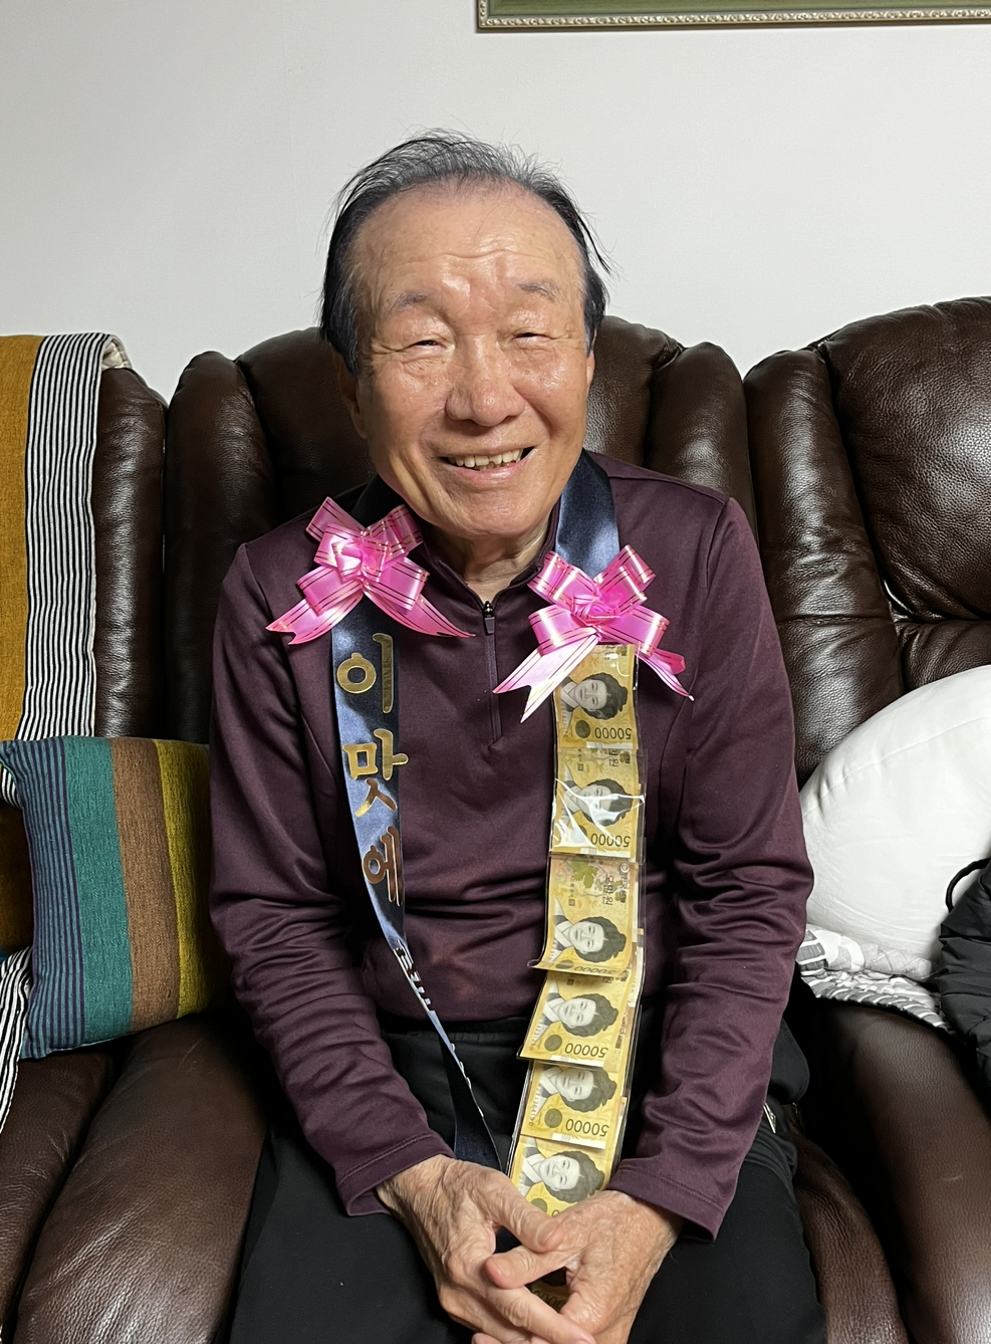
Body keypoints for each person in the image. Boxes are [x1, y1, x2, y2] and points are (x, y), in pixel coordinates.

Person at [210, 132, 825, 1344]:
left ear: (588, 357)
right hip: (396, 1068)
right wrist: (412, 1172)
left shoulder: (695, 550)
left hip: (655, 1057)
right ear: (351, 386)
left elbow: (748, 890)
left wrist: (661, 1193)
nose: (484, 398)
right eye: (423, 341)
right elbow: (275, 921)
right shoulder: (277, 593)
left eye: (530, 333)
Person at [518, 1142, 607, 1203]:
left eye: (561, 1179)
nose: (556, 1169)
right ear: (562, 1156)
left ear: (555, 1189)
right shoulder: (528, 1139)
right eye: (564, 1164)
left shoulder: (518, 1193)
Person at [530, 1064, 618, 1115]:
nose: (571, 1081)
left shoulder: (533, 1108)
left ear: (571, 1099)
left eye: (576, 1090)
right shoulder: (548, 1053)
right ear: (576, 1068)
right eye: (579, 1075)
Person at [553, 915, 627, 965]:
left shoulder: (552, 956)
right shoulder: (555, 905)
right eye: (590, 929)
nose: (583, 935)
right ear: (587, 921)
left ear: (583, 951)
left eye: (589, 943)